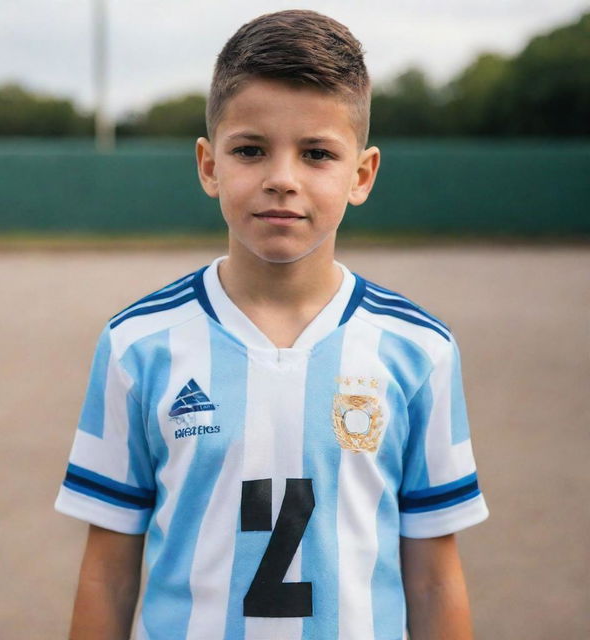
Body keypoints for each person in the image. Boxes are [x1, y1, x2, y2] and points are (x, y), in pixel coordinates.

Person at [55, 9, 489, 640]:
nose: (281, 179)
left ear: (361, 174)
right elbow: (108, 572)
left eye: (317, 153)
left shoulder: (419, 351)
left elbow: (433, 577)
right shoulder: (137, 345)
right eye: (251, 150)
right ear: (209, 165)